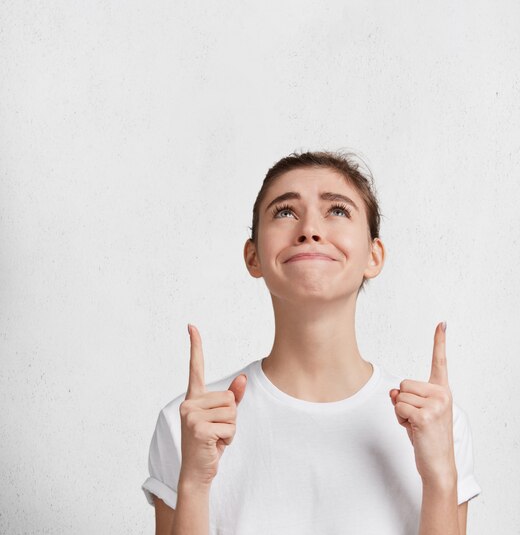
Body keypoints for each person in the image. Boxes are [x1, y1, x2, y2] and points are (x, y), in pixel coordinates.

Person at [141, 149, 481, 534]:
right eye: (285, 212)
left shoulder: (438, 424)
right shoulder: (189, 423)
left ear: (374, 254)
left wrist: (440, 478)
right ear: (253, 257)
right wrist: (194, 483)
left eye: (337, 210)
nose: (309, 230)